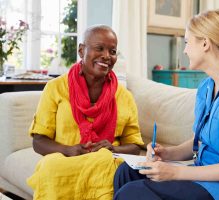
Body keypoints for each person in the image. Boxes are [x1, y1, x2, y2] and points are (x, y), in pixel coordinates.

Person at [113, 9, 219, 200]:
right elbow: (201, 142)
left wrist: (175, 173)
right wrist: (167, 154)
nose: (185, 49)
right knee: (126, 172)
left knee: (133, 193)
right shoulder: (207, 87)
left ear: (205, 43)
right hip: (204, 174)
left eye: (188, 42)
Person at [27, 25, 144, 200]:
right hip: (65, 158)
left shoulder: (124, 97)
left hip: (105, 161)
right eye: (99, 48)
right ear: (82, 51)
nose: (106, 56)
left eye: (112, 51)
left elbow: (135, 146)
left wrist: (113, 148)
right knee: (49, 166)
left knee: (108, 164)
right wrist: (67, 150)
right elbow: (39, 141)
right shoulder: (56, 88)